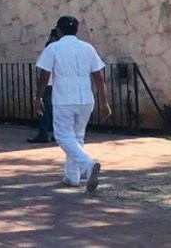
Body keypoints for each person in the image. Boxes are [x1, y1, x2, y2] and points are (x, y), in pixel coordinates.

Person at [35, 15, 112, 193]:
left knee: (63, 136)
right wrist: (104, 102)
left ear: (59, 30)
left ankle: (87, 165)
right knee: (77, 137)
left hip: (64, 98)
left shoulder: (53, 48)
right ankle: (72, 176)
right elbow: (99, 77)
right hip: (85, 98)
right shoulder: (88, 48)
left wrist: (38, 98)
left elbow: (44, 76)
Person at [27, 28, 60, 143]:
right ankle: (57, 133)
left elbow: (44, 68)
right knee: (57, 110)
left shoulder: (50, 47)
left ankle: (43, 133)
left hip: (49, 83)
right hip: (60, 83)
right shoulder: (65, 48)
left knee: (44, 109)